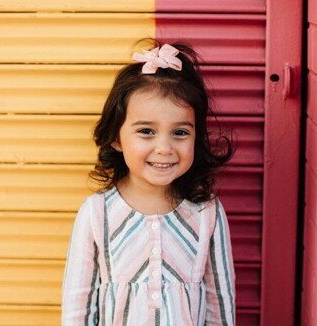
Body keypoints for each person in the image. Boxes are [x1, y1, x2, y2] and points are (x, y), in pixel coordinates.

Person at [62, 38, 236, 326]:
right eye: (146, 131)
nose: (164, 148)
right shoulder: (97, 213)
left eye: (180, 133)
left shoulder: (207, 214)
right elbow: (77, 308)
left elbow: (221, 307)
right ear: (116, 137)